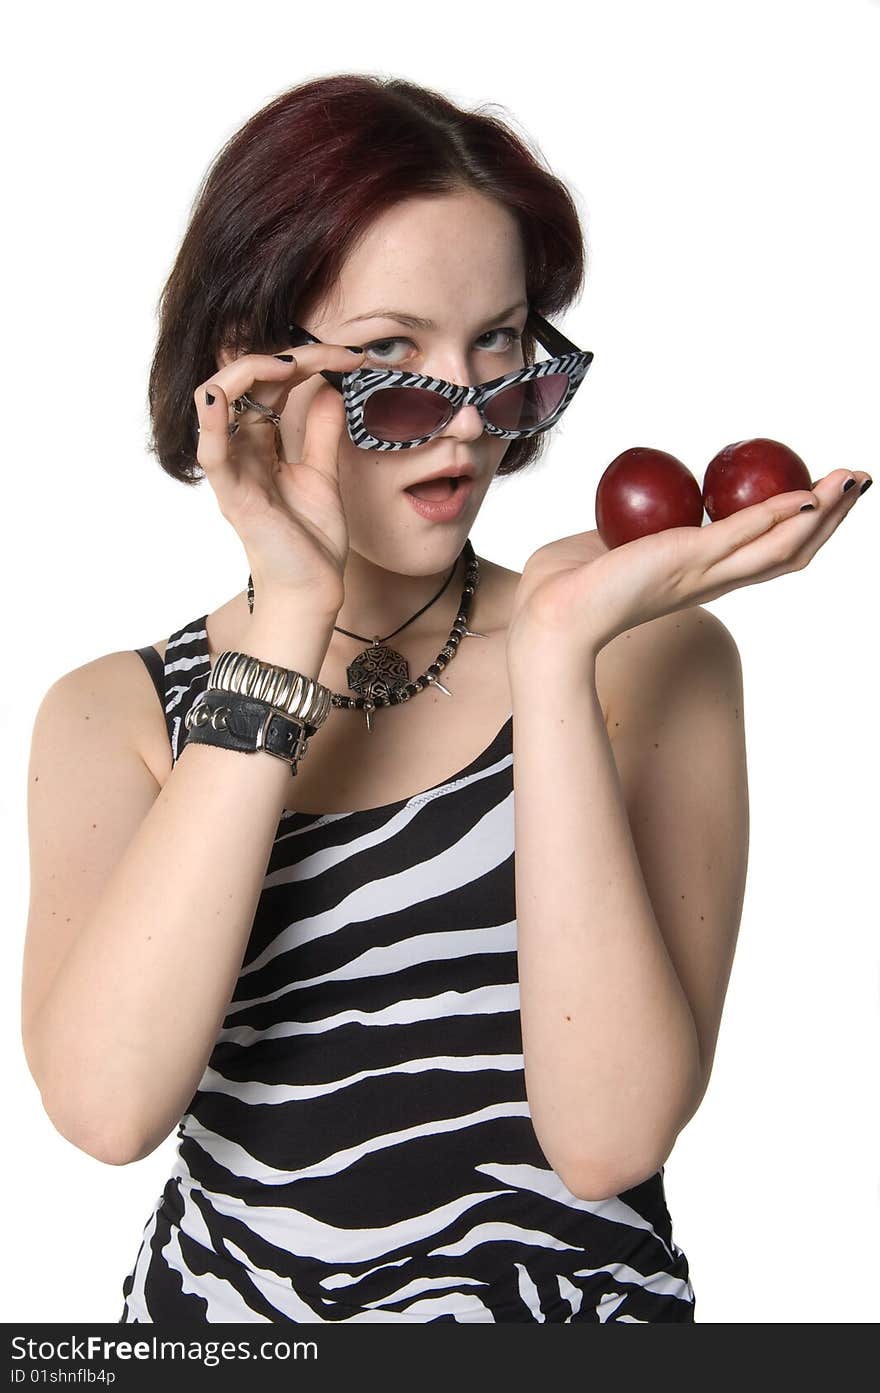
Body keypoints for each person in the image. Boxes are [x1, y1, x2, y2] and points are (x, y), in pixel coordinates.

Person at [20, 73, 870, 1326]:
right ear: (248, 369)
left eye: (502, 346)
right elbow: (107, 1109)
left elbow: (607, 1141)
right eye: (387, 356)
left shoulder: (648, 659)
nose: (468, 419)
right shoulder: (115, 716)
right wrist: (290, 613)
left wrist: (556, 656)